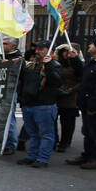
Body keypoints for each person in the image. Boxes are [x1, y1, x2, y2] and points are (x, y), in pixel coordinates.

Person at [67, 42, 96, 169]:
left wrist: (94, 106)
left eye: (92, 44)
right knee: (88, 131)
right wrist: (75, 59)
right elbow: (84, 74)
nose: (89, 46)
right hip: (87, 103)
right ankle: (87, 154)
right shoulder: (95, 62)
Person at [16, 40, 63, 168]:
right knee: (33, 133)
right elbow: (22, 81)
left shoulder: (55, 65)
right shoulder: (31, 65)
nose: (37, 52)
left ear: (49, 50)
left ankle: (42, 158)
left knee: (46, 134)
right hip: (29, 104)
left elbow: (56, 82)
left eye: (41, 49)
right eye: (37, 49)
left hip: (45, 105)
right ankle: (32, 156)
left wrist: (48, 66)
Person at [54, 45, 83, 152]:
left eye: (69, 51)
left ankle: (65, 142)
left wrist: (72, 89)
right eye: (64, 51)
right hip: (57, 94)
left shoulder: (77, 64)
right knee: (53, 119)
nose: (66, 54)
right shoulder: (58, 63)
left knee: (67, 121)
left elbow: (82, 79)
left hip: (71, 96)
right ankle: (54, 140)